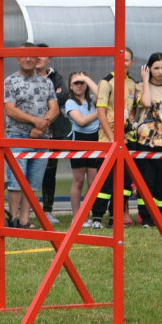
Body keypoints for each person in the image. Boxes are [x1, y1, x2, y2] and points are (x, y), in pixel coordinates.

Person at [4, 42, 59, 229]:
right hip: (17, 136)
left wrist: (42, 126)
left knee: (33, 182)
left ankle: (25, 220)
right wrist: (35, 122)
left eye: (31, 56)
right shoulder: (10, 81)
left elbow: (55, 108)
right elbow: (10, 110)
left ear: (37, 59)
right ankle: (13, 219)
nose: (28, 59)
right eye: (24, 56)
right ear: (17, 59)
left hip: (41, 138)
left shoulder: (47, 82)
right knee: (16, 180)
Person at [87, 47, 138, 228]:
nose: (123, 62)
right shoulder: (106, 82)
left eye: (127, 60)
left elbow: (133, 107)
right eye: (120, 58)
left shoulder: (132, 83)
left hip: (127, 141)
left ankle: (116, 218)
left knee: (124, 183)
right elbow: (100, 112)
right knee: (105, 181)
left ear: (131, 62)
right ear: (113, 60)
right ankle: (97, 218)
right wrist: (111, 137)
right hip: (107, 141)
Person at [132, 53, 162, 228]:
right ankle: (146, 218)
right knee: (146, 182)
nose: (159, 72)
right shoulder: (140, 86)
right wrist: (145, 80)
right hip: (145, 142)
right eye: (156, 68)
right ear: (149, 69)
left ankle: (158, 216)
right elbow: (145, 102)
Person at [36, 44, 70, 224]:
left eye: (43, 55)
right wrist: (51, 98)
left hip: (53, 134)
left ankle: (47, 209)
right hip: (32, 132)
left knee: (50, 173)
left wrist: (44, 99)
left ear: (49, 58)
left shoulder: (56, 76)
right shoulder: (28, 76)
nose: (39, 58)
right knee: (29, 169)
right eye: (36, 55)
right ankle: (27, 208)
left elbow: (63, 95)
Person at [64, 71, 100, 223]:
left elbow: (102, 94)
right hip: (78, 141)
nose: (79, 86)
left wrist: (86, 78)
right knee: (78, 181)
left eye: (82, 83)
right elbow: (81, 122)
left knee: (93, 182)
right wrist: (99, 113)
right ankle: (76, 217)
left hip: (95, 140)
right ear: (70, 86)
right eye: (76, 83)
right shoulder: (70, 102)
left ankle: (86, 214)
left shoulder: (93, 99)